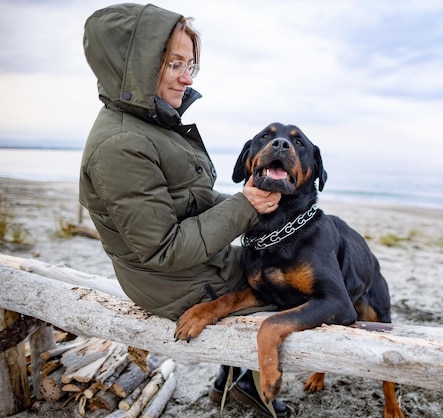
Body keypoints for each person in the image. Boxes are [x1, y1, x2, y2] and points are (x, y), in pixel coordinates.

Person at [80, 4, 289, 417]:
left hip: (190, 266)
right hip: (178, 282)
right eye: (174, 63)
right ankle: (245, 383)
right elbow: (164, 250)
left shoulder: (150, 124)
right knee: (292, 290)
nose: (187, 77)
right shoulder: (122, 146)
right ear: (133, 65)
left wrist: (244, 202)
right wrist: (244, 206)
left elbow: (188, 202)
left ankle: (234, 382)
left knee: (284, 258)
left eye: (191, 64)